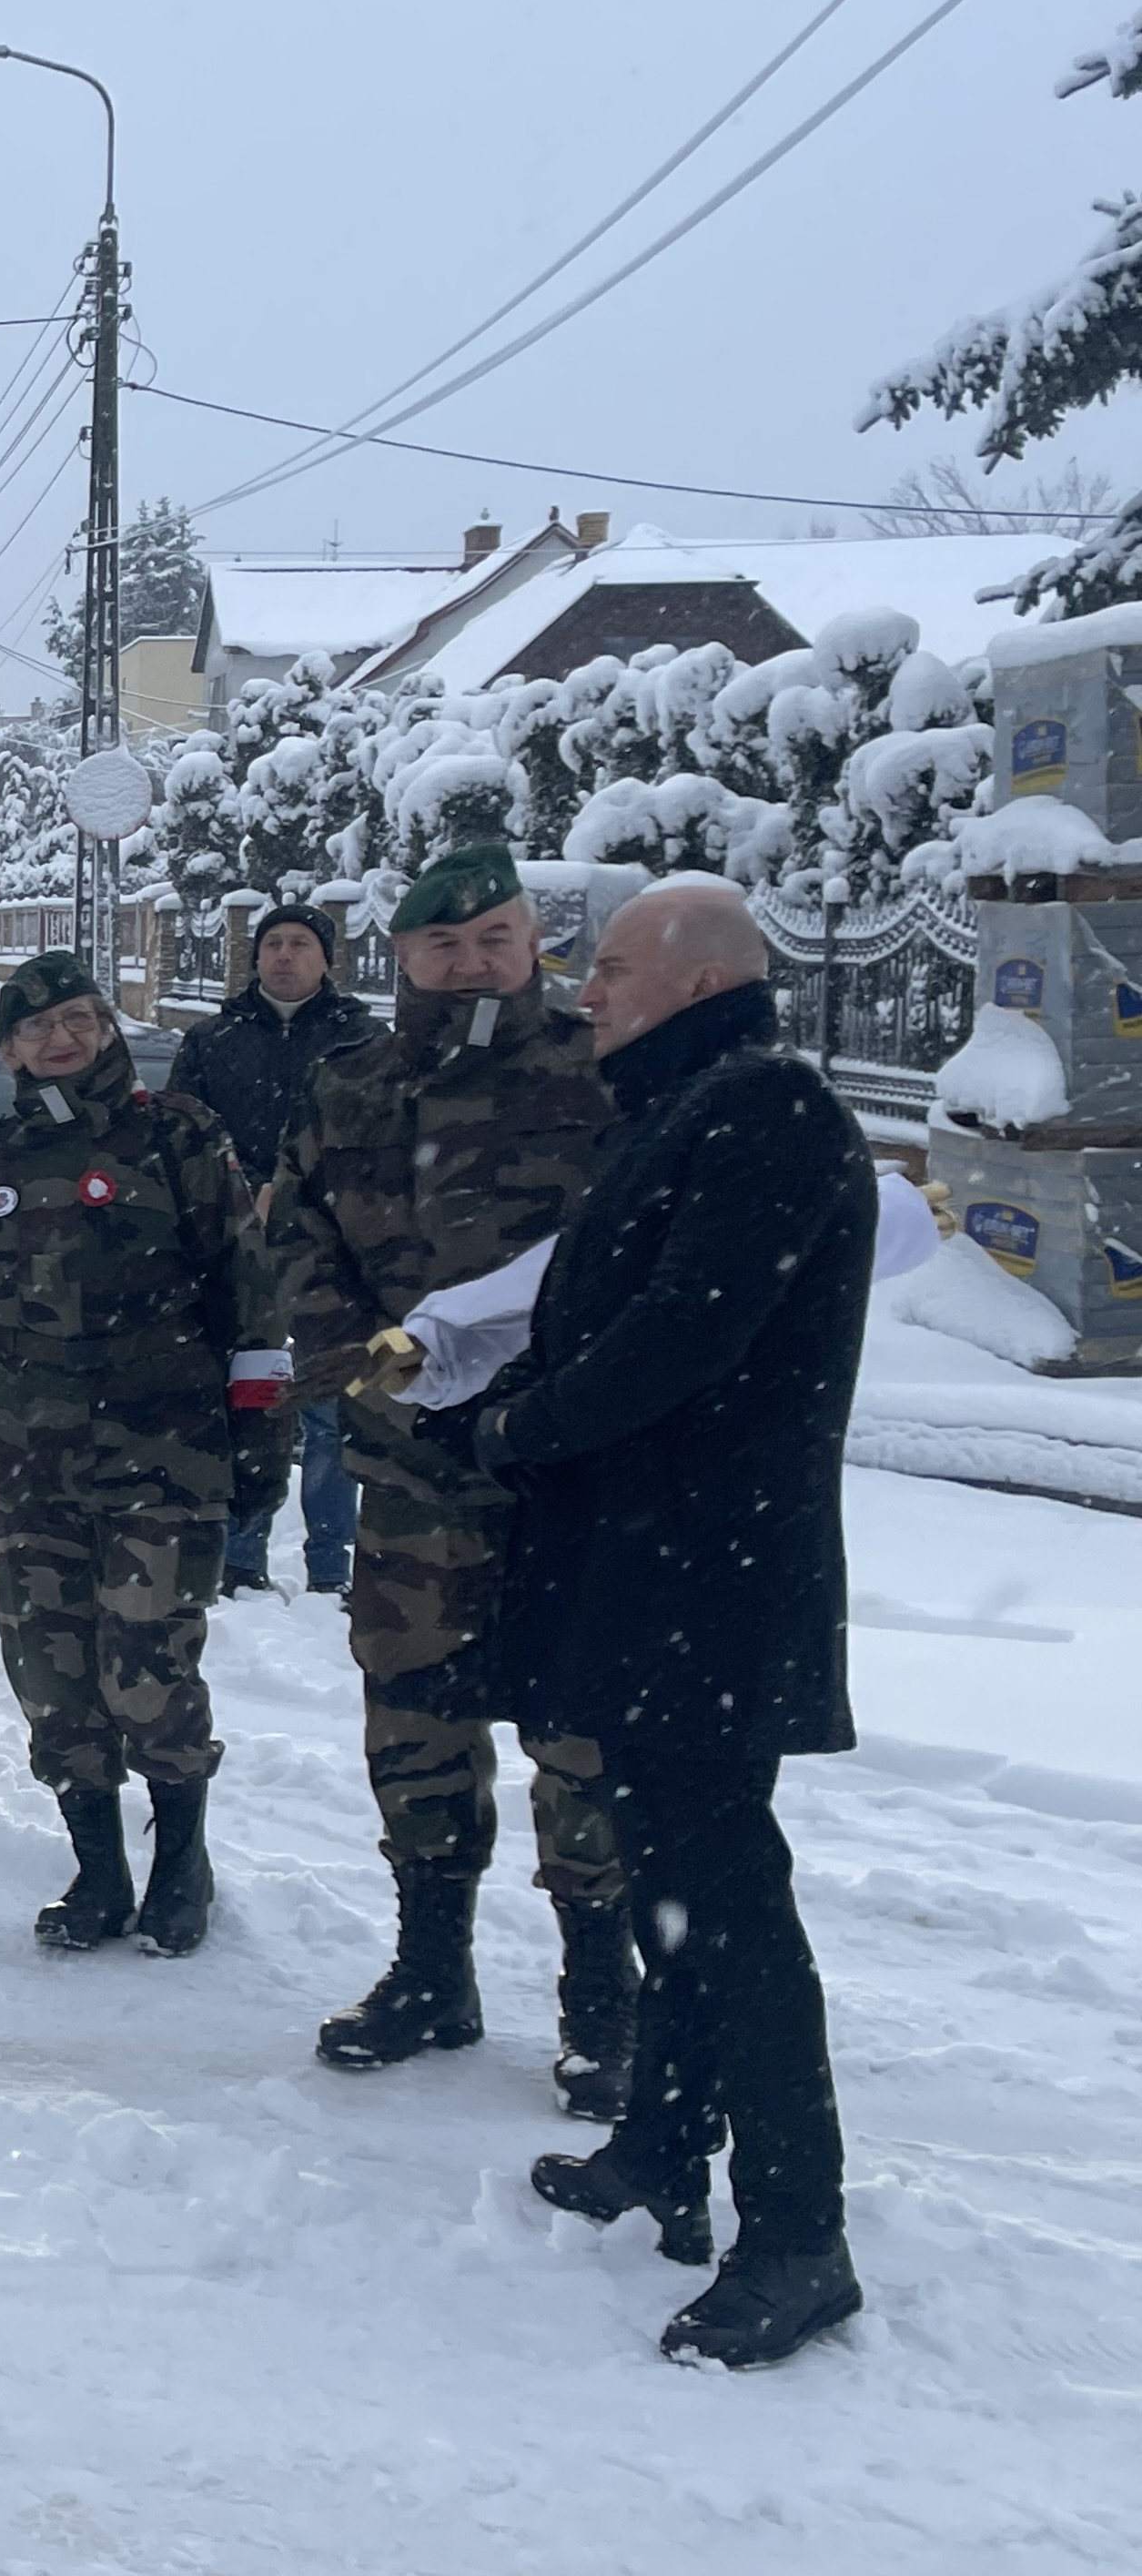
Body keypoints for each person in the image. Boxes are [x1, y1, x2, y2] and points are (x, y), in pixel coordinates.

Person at [471, 880, 874, 2368]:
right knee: (674, 1889)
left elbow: (682, 1335)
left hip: (707, 1582)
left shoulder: (761, 1111)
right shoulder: (688, 1106)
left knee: (730, 1908)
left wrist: (520, 1426)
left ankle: (796, 2232)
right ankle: (660, 2151)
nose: (588, 990)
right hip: (658, 1581)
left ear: (703, 978)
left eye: (616, 965)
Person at [268, 838, 637, 2109]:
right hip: (413, 1465)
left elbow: (648, 1243)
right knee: (415, 1718)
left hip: (570, 1467)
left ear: (532, 939)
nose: (468, 962)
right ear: (402, 955)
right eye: (441, 945)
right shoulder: (353, 1084)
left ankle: (604, 1999)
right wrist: (366, 1375)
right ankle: (433, 1973)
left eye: (491, 939)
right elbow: (300, 1235)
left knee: (582, 1732)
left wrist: (564, 1404)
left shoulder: (601, 1072)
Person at [0, 951, 286, 1950]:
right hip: (25, 1461)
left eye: (80, 1018)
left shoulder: (180, 1137)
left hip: (164, 1449)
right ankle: (98, 1875)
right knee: (53, 1678)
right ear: (8, 1053)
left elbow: (250, 1299)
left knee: (149, 1670)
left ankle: (180, 1865)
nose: (62, 1039)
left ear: (109, 1029)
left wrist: (259, 1437)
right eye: (38, 1029)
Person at [167, 903, 380, 1598]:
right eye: (273, 944)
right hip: (238, 1250)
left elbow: (382, 1144)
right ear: (255, 958)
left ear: (327, 959)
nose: (285, 955)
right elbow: (182, 1137)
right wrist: (243, 1190)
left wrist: (304, 1195)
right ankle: (240, 1555)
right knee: (253, 1398)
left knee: (328, 1411)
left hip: (334, 1253)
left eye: (300, 944)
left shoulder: (362, 1042)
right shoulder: (211, 1040)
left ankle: (330, 1567)